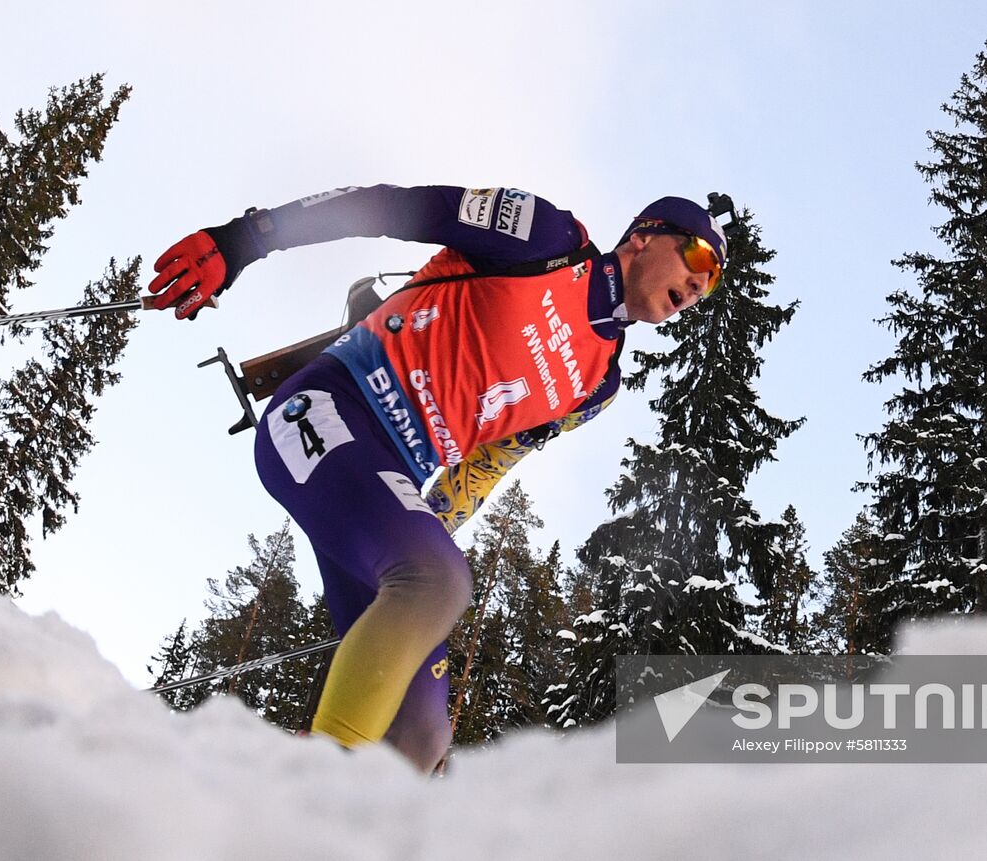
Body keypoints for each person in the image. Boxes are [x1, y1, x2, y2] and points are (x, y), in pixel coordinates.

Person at [148, 185, 729, 772]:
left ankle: (291, 825)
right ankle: (317, 786)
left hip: (392, 476)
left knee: (422, 742)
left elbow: (491, 462)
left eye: (713, 284)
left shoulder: (599, 383)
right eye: (699, 258)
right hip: (331, 405)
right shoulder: (548, 239)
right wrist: (248, 239)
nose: (700, 287)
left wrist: (426, 531)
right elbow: (392, 206)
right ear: (645, 236)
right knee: (437, 580)